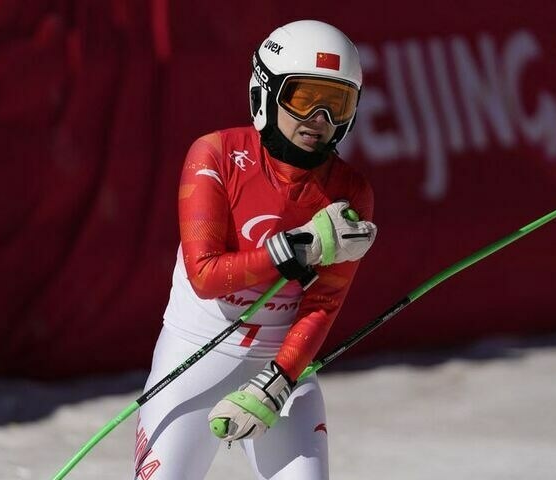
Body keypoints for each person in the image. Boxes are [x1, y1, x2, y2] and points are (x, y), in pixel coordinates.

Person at [134, 20, 377, 480]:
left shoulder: (351, 191)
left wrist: (277, 381)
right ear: (265, 92)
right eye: (304, 98)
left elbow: (323, 303)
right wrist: (304, 246)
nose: (320, 119)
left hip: (282, 366)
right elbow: (206, 276)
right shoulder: (214, 154)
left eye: (337, 103)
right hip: (194, 356)